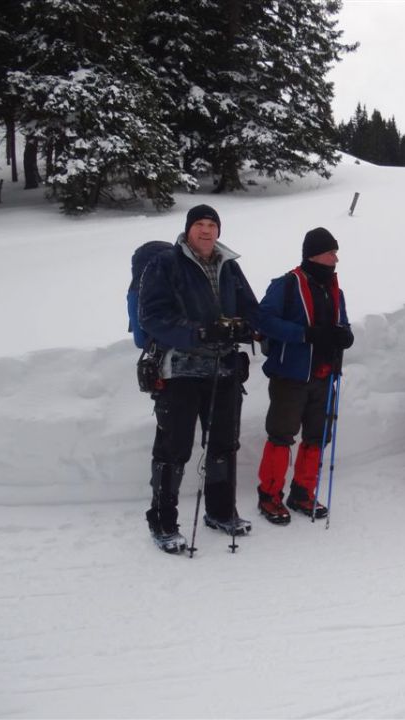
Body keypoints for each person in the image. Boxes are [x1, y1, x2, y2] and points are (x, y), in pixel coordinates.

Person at [138, 204, 259, 553]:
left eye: (212, 225)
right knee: (173, 449)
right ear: (188, 229)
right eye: (199, 225)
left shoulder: (229, 265)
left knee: (224, 445)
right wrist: (199, 333)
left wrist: (248, 327)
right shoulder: (165, 264)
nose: (206, 231)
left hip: (224, 370)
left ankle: (220, 511)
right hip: (180, 371)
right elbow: (152, 316)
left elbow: (250, 307)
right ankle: (162, 520)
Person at [255, 227, 353, 523]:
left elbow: (343, 324)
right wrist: (304, 334)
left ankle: (302, 492)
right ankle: (269, 497)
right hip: (290, 375)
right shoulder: (286, 285)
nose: (336, 258)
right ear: (314, 254)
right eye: (331, 252)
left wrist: (344, 336)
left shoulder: (336, 290)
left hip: (324, 376)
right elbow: (262, 320)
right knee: (281, 436)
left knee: (317, 436)